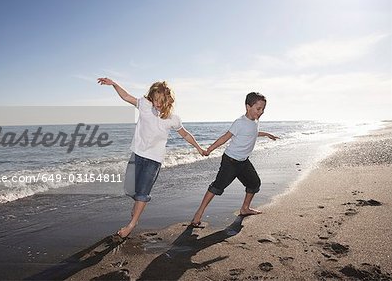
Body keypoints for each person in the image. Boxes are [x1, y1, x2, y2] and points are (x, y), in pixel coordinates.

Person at [98, 77, 206, 238]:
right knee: (130, 189)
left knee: (143, 193)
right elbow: (126, 97)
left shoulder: (172, 118)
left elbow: (185, 135)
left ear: (168, 100)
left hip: (153, 160)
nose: (158, 104)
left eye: (162, 101)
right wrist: (114, 84)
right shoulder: (144, 105)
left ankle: (132, 224)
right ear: (151, 97)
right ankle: (137, 207)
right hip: (137, 154)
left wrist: (199, 148)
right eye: (156, 100)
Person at [190, 92, 279, 227]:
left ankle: (245, 208)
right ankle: (198, 214)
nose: (261, 112)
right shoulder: (239, 122)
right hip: (230, 162)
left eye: (263, 109)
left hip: (243, 162)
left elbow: (252, 133)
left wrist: (267, 134)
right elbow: (225, 138)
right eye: (258, 109)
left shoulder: (255, 121)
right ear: (248, 106)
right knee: (217, 187)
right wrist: (209, 149)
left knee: (254, 183)